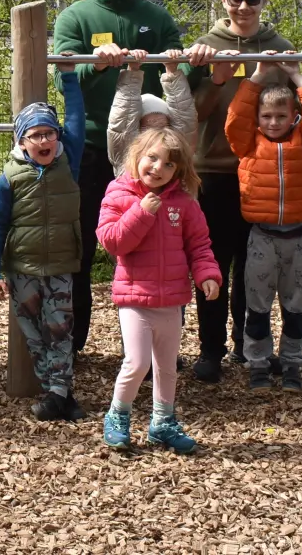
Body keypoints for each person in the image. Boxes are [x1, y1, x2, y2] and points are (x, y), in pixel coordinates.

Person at [51, 0, 182, 352]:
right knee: (84, 249)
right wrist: (100, 66)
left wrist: (186, 62)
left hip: (150, 155)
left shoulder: (157, 18)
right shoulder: (76, 17)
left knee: (156, 250)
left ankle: (156, 349)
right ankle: (72, 345)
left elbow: (178, 76)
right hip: (90, 148)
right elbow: (67, 81)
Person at [182, 0, 295, 383]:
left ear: (264, 1)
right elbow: (190, 116)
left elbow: (296, 114)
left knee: (254, 267)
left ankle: (249, 346)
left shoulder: (280, 48)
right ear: (223, 1)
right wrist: (216, 79)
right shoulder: (205, 47)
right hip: (210, 170)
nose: (243, 6)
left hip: (261, 172)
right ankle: (211, 349)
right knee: (211, 264)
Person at [97, 128, 221, 455]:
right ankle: (117, 416)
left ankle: (163, 423)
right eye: (152, 158)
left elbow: (199, 245)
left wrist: (208, 274)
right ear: (137, 155)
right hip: (135, 297)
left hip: (171, 300)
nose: (158, 168)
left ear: (178, 172)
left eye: (168, 165)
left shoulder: (184, 202)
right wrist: (142, 212)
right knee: (137, 363)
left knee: (167, 367)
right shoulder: (119, 194)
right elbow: (112, 241)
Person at [0, 63, 86, 422]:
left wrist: (69, 77)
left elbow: (76, 117)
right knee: (32, 331)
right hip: (22, 268)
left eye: (49, 134)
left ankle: (58, 391)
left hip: (59, 264)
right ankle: (59, 392)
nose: (44, 141)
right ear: (21, 141)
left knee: (60, 328)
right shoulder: (9, 178)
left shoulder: (67, 161)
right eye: (35, 135)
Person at [224, 56, 302, 392]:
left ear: (293, 116)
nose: (273, 122)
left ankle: (292, 363)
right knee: (257, 306)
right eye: (266, 116)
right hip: (262, 237)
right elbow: (235, 119)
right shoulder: (248, 144)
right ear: (258, 118)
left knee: (294, 306)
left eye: (281, 116)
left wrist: (298, 78)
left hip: (297, 237)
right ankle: (257, 362)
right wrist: (255, 78)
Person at [106, 50, 195, 175]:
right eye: (147, 127)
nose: (156, 133)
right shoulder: (127, 159)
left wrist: (172, 70)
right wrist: (132, 69)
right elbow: (123, 121)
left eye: (163, 126)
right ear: (136, 129)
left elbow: (184, 120)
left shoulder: (178, 156)